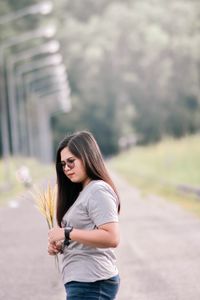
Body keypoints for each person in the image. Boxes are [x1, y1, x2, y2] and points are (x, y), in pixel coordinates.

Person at [48, 130, 120, 300]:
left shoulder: (97, 190)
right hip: (82, 281)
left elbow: (112, 237)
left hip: (92, 282)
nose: (66, 168)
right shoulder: (83, 192)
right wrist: (62, 243)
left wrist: (67, 232)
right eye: (63, 164)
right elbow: (85, 234)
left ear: (87, 156)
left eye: (71, 162)